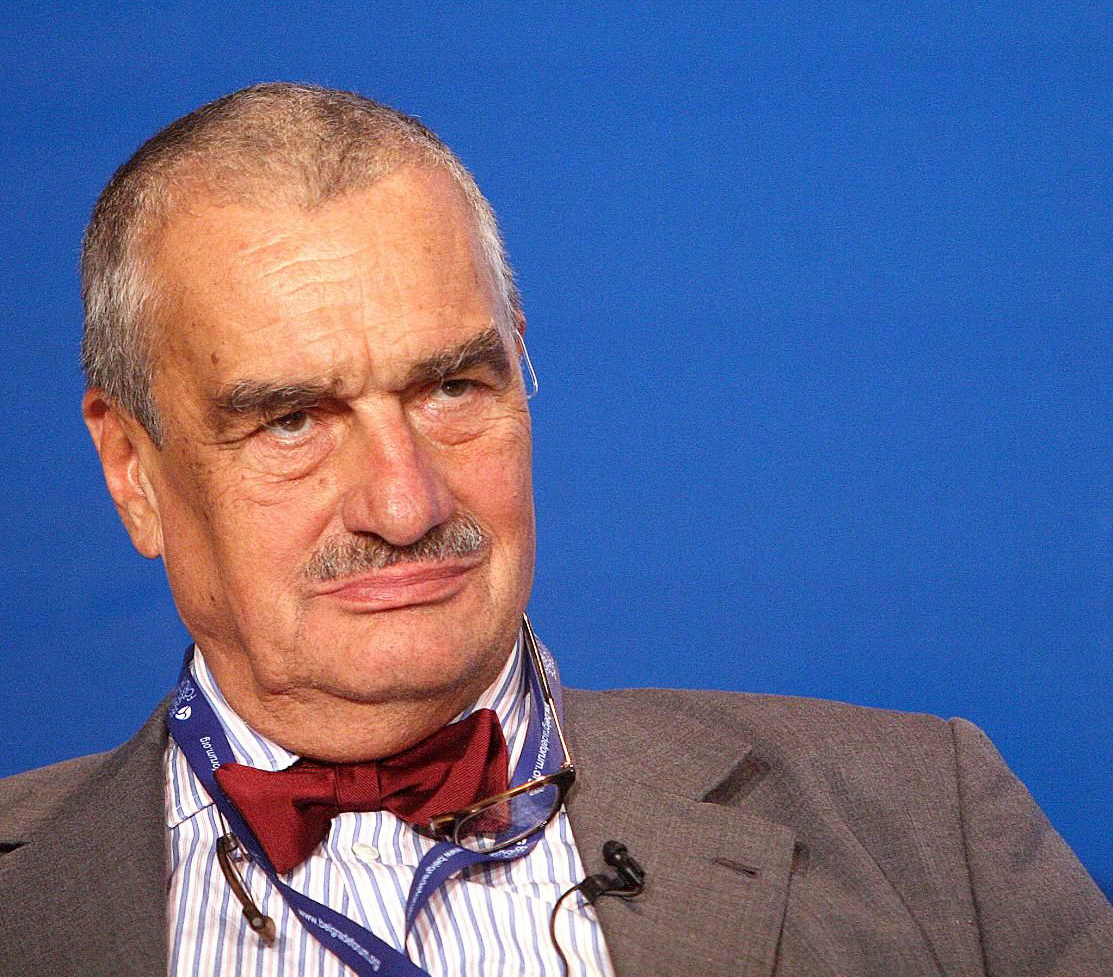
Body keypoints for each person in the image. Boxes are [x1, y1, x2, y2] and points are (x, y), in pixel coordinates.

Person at [0, 83, 1109, 977]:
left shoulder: (927, 827)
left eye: (451, 387)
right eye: (291, 420)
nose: (404, 504)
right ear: (133, 470)